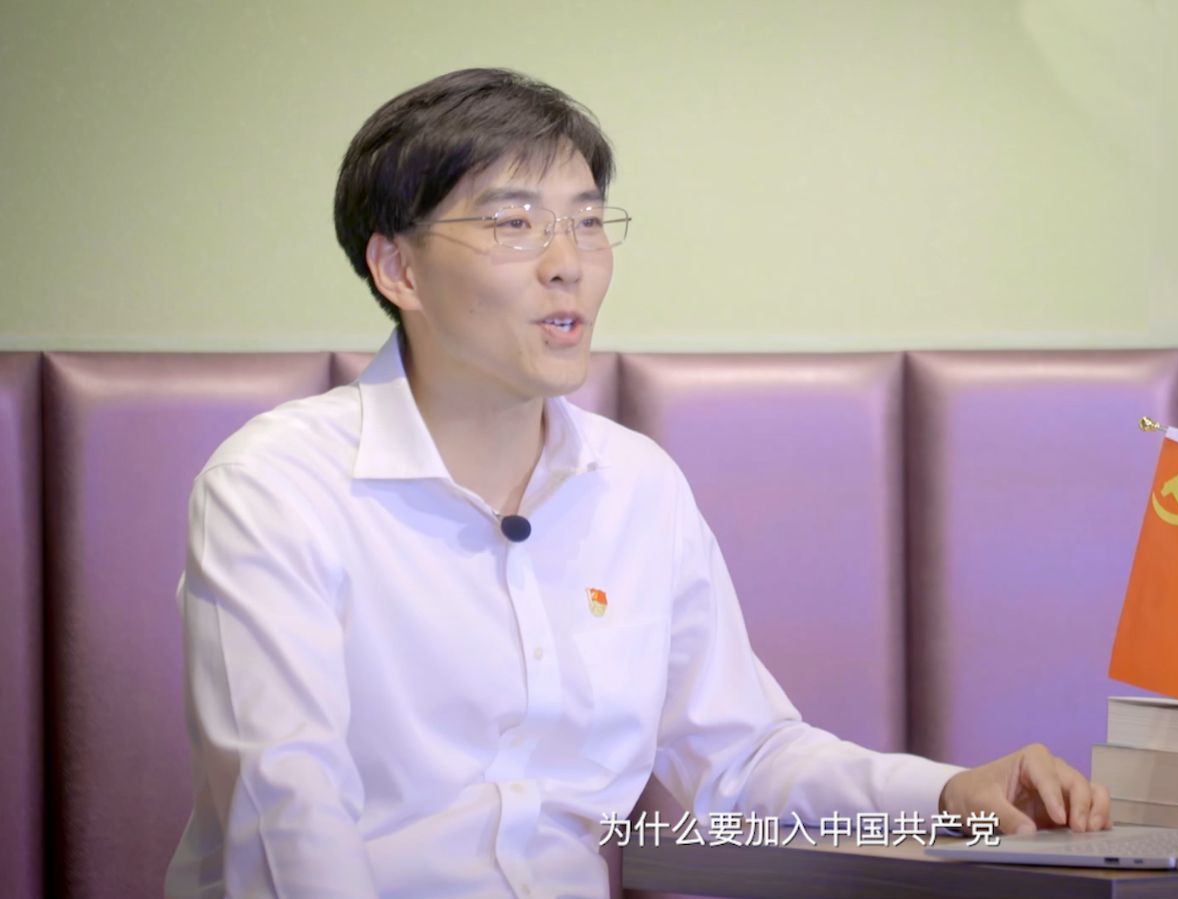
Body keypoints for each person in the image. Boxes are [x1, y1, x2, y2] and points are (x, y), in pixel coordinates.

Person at [164, 67, 1110, 899]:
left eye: (586, 220)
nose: (567, 263)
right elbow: (287, 814)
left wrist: (948, 795)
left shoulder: (636, 486)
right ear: (397, 267)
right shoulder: (276, 487)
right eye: (514, 223)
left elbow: (740, 759)